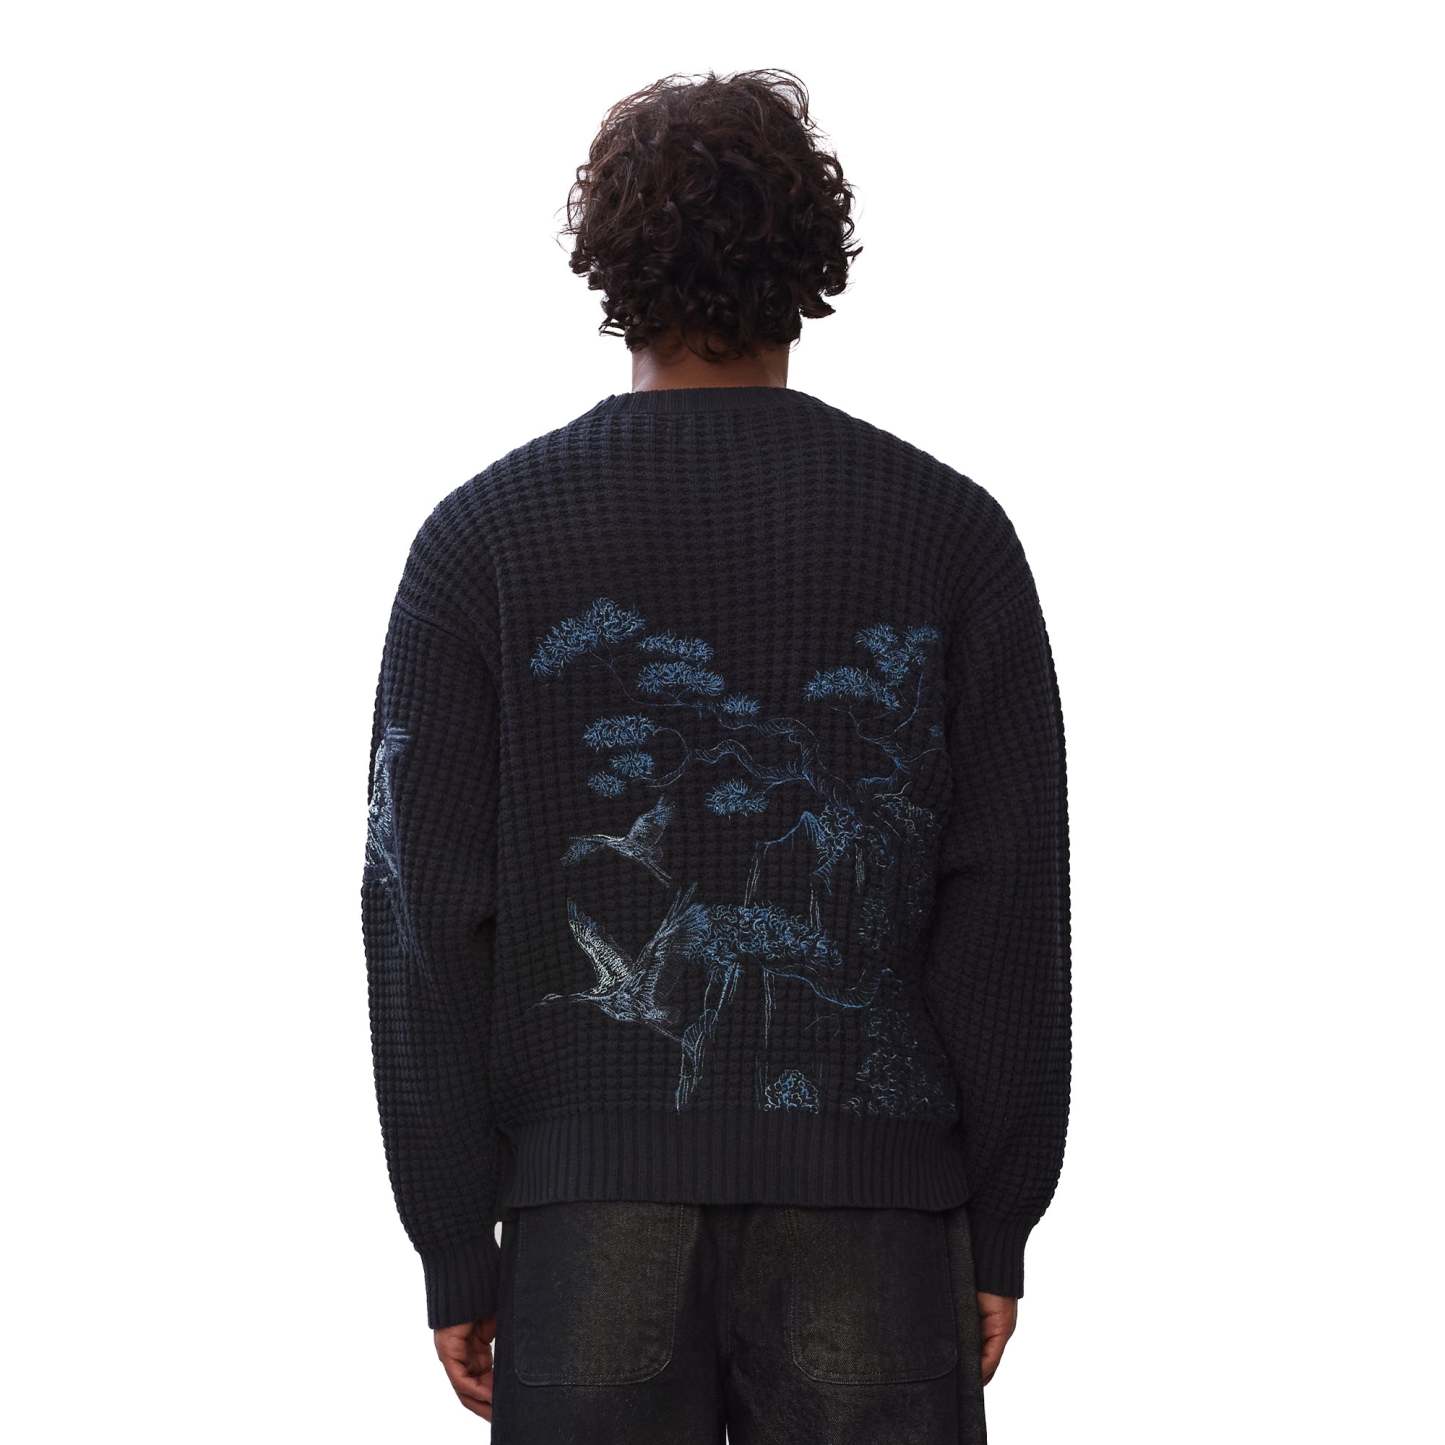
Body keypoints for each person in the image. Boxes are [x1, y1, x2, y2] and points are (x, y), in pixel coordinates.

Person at [361, 68, 1070, 1444]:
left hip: (586, 1223)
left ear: (609, 266)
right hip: (877, 1211)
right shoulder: (952, 533)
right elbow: (1008, 904)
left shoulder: (479, 542)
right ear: (811, 263)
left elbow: (421, 919)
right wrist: (999, 1217)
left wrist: (453, 1237)